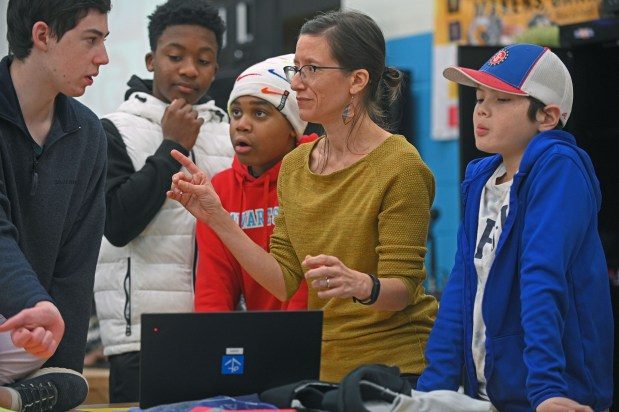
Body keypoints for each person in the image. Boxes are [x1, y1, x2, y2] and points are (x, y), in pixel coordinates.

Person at [169, 10, 437, 383]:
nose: (296, 83)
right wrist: (215, 216)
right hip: (316, 368)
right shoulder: (296, 165)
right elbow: (283, 280)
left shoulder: (401, 166)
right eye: (296, 68)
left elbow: (402, 290)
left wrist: (362, 284)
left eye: (312, 69)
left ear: (357, 80)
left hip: (393, 368)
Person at [416, 44, 613, 411]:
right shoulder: (480, 178)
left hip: (551, 394)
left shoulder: (558, 167)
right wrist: (434, 387)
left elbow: (542, 275)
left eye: (503, 100)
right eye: (479, 98)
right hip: (489, 392)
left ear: (547, 116)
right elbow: (462, 286)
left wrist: (547, 390)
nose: (483, 110)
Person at [93, 0, 232, 403]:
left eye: (204, 59)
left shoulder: (227, 133)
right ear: (152, 60)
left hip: (219, 327)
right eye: (176, 56)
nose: (190, 69)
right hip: (142, 336)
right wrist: (172, 145)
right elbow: (118, 224)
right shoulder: (112, 130)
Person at [0, 0, 110, 410]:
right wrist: (35, 303)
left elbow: (76, 267)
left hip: (27, 337)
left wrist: (62, 372)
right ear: (43, 35)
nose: (103, 57)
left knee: (71, 384)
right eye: (91, 39)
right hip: (26, 314)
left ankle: (16, 397)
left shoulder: (88, 136)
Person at [195, 54, 314, 312]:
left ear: (293, 127)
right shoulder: (221, 191)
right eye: (236, 113)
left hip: (316, 340)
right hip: (257, 339)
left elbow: (308, 286)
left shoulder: (317, 174)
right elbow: (214, 290)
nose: (242, 125)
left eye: (259, 113)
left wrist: (289, 346)